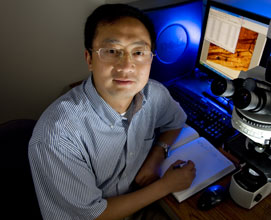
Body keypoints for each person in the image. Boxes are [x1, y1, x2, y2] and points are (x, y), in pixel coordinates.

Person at [28, 4, 196, 220]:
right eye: (111, 51)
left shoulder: (153, 94)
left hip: (135, 203)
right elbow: (93, 216)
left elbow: (176, 121)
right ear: (89, 59)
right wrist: (166, 185)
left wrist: (157, 155)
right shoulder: (57, 136)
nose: (126, 67)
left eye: (138, 52)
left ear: (151, 59)